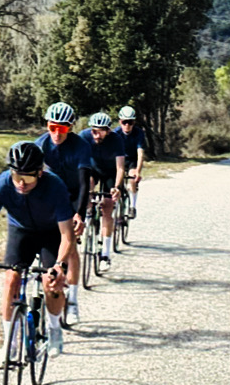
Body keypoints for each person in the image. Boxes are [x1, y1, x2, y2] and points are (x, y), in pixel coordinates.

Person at [0, 140, 77, 356]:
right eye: (17, 176)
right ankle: (9, 343)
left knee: (51, 282)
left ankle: (54, 329)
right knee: (11, 280)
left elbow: (67, 234)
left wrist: (59, 265)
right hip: (21, 231)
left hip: (50, 233)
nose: (21, 183)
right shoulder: (1, 184)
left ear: (40, 173)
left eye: (28, 178)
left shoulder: (55, 186)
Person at [37, 103, 93, 326]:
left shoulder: (81, 146)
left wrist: (79, 214)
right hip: (49, 196)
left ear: (71, 127)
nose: (57, 133)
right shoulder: (40, 145)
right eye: (53, 127)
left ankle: (73, 301)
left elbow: (84, 183)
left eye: (63, 128)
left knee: (70, 248)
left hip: (72, 196)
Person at [75, 111, 121, 270]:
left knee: (107, 207)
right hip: (92, 169)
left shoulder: (116, 139)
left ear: (108, 131)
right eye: (94, 131)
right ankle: (86, 217)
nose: (96, 135)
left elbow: (120, 167)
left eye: (101, 131)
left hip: (110, 172)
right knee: (86, 188)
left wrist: (117, 187)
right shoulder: (84, 136)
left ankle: (105, 255)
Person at [113, 105, 148, 216]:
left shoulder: (139, 133)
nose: (127, 125)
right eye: (124, 122)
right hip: (119, 160)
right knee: (115, 182)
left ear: (134, 122)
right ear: (120, 122)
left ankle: (132, 206)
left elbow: (140, 153)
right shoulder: (115, 133)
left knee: (132, 179)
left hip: (132, 160)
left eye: (130, 122)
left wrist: (138, 171)